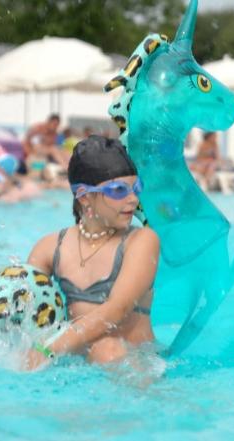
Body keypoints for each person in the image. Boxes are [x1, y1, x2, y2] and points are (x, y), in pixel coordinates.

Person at [25, 135, 160, 370]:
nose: (132, 199)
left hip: (132, 368)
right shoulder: (50, 248)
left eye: (135, 188)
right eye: (118, 190)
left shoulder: (141, 240)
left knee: (106, 349)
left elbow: (116, 310)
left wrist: (49, 349)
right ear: (85, 196)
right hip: (75, 367)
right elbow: (27, 311)